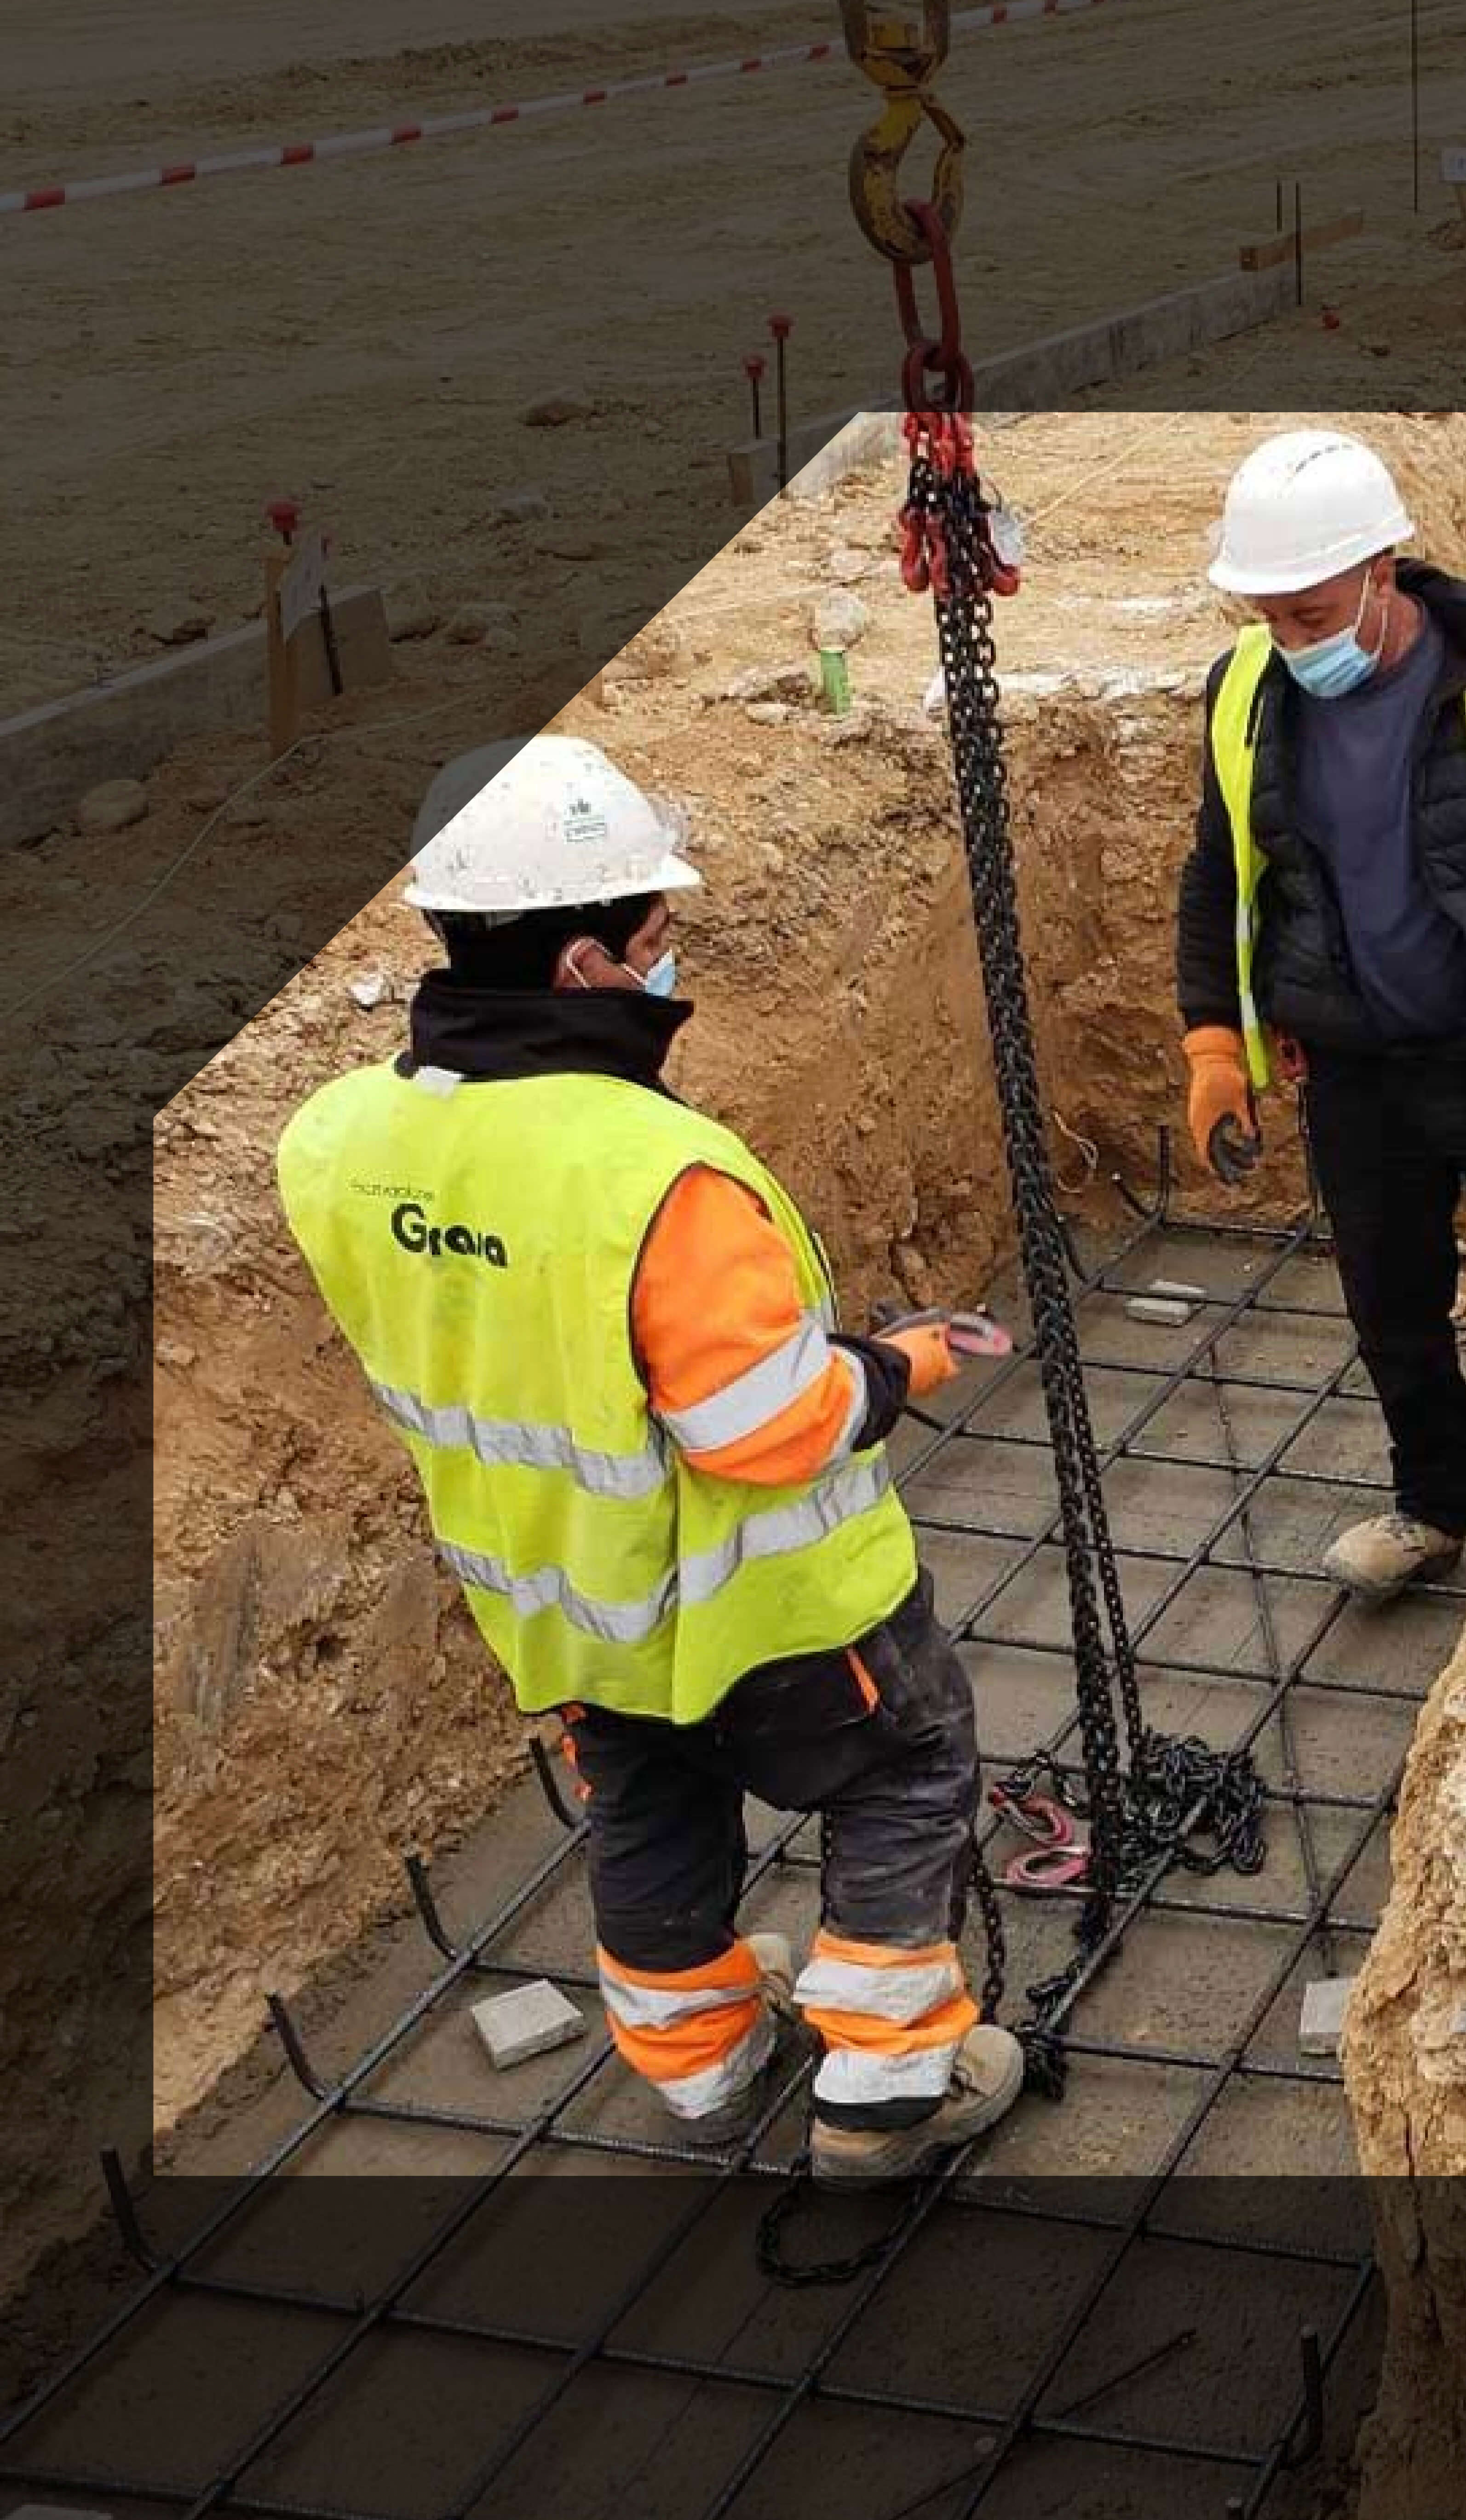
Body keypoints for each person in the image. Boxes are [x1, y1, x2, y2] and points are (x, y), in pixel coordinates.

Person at [276, 733, 1023, 2181]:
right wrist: (899, 1363)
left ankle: (703, 2072)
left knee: (653, 1813)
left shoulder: (338, 1139)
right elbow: (764, 1428)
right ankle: (882, 2095)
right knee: (905, 1773)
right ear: (583, 965)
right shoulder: (652, 1170)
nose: (668, 962)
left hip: (568, 1602)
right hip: (776, 1610)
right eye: (655, 936)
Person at [1177, 428, 1466, 1603]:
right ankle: (1432, 1508)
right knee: (1392, 1304)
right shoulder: (1246, 690)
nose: (1292, 639)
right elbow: (1220, 870)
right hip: (1358, 1068)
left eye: (1310, 612)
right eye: (1268, 614)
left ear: (1381, 571)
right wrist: (1214, 1040)